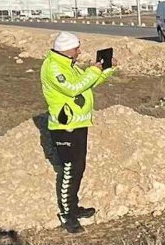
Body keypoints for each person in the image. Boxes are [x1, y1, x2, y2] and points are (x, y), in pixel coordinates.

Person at [39, 32, 117, 233]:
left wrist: (107, 70)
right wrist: (93, 69)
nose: (79, 51)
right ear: (66, 49)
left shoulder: (68, 65)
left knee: (78, 168)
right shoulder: (53, 67)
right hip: (65, 128)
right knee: (69, 170)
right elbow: (74, 89)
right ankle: (66, 214)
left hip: (79, 124)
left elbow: (87, 84)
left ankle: (73, 208)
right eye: (76, 48)